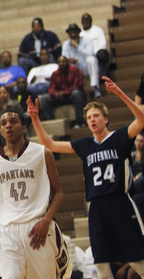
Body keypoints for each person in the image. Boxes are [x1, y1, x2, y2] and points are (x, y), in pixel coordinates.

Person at [30, 78, 144, 278]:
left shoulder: (120, 137)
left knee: (137, 261)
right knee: (101, 265)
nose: (92, 119)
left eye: (96, 116)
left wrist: (120, 93)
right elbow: (49, 144)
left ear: (105, 119)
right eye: (89, 117)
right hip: (96, 208)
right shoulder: (85, 145)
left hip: (120, 203)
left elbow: (142, 120)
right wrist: (35, 118)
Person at [0, 110, 67, 279]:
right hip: (7, 231)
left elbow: (59, 192)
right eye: (3, 123)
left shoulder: (42, 153)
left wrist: (46, 220)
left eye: (13, 121)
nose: (8, 125)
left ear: (23, 126)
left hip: (37, 227)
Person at [39, 56, 86, 128]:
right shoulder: (55, 74)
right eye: (60, 62)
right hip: (60, 97)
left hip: (71, 96)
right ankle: (52, 124)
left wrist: (65, 92)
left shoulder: (75, 70)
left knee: (76, 93)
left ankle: (81, 122)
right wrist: (55, 93)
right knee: (44, 98)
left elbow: (78, 85)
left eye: (63, 61)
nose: (62, 63)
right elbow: (51, 88)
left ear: (67, 62)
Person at [62, 23, 101, 98]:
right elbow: (64, 57)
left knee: (92, 60)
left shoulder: (87, 40)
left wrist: (77, 46)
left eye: (75, 32)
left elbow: (90, 53)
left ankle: (95, 87)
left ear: (78, 33)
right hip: (74, 67)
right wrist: (69, 60)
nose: (73, 35)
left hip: (86, 66)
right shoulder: (66, 44)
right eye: (71, 33)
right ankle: (72, 92)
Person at [80, 13, 110, 79]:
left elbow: (102, 44)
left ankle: (102, 76)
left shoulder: (98, 30)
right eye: (84, 20)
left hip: (97, 54)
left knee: (103, 54)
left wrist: (93, 53)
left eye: (87, 20)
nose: (86, 22)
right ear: (81, 22)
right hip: (85, 57)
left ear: (91, 20)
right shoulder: (80, 34)